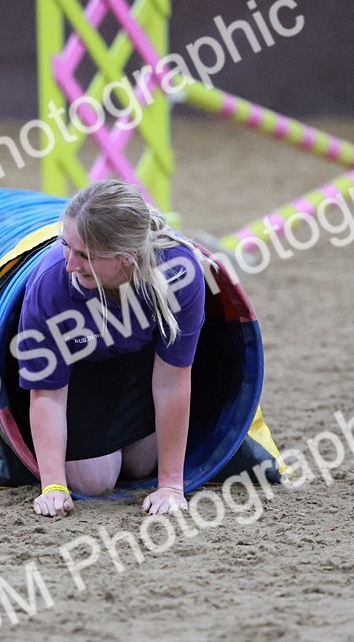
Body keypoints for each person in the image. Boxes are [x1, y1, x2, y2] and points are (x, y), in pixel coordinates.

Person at [16, 179, 209, 518]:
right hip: (80, 377)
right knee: (94, 480)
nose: (70, 264)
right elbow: (46, 394)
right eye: (66, 246)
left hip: (138, 369)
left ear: (127, 257)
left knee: (141, 465)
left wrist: (171, 485)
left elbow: (173, 380)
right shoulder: (52, 284)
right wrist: (53, 487)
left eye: (84, 256)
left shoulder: (177, 272)